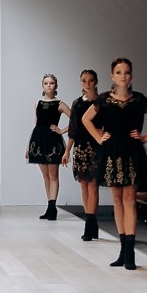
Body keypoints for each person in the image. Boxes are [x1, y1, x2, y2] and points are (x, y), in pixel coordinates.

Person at [82, 58, 147, 269]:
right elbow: (85, 119)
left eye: (126, 72)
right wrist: (99, 137)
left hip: (131, 151)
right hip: (111, 151)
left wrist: (145, 137)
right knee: (117, 199)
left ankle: (130, 252)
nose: (123, 76)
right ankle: (122, 249)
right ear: (112, 76)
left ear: (131, 76)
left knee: (129, 199)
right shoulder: (104, 99)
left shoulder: (139, 99)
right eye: (119, 72)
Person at [62, 69, 101, 240]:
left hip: (97, 147)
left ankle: (90, 222)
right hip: (80, 147)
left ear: (96, 82)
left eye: (90, 80)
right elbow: (73, 129)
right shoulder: (77, 103)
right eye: (84, 81)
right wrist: (67, 150)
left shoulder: (102, 102)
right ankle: (90, 220)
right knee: (84, 185)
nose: (87, 84)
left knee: (93, 185)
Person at [25, 74, 70, 220]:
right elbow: (36, 124)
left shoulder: (60, 104)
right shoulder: (37, 103)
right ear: (42, 86)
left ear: (56, 86)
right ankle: (49, 206)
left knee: (53, 175)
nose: (49, 85)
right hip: (38, 141)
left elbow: (76, 120)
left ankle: (52, 207)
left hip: (52, 141)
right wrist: (28, 146)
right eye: (46, 83)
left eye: (51, 83)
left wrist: (61, 130)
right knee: (45, 176)